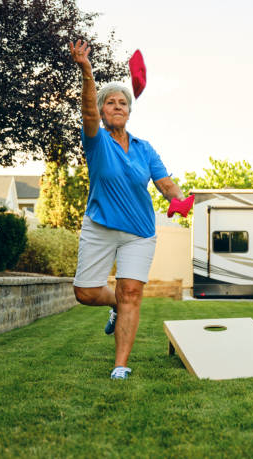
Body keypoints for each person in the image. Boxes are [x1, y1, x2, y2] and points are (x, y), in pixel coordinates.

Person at [69, 39, 188, 380]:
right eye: (111, 103)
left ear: (129, 111)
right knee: (85, 292)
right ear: (103, 111)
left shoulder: (144, 148)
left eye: (123, 102)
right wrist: (87, 72)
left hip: (139, 231)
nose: (117, 106)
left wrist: (176, 199)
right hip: (100, 225)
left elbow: (165, 182)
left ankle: (120, 365)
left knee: (132, 292)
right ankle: (112, 304)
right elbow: (87, 111)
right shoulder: (96, 140)